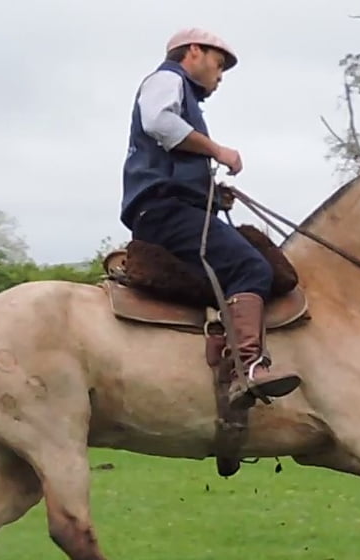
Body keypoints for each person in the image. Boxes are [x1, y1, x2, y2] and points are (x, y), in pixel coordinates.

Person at [120, 27, 301, 409]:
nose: (220, 77)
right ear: (194, 52)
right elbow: (159, 122)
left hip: (170, 208)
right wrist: (217, 150)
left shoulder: (180, 91)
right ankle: (246, 369)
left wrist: (213, 197)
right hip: (167, 210)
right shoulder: (166, 79)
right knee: (251, 267)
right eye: (218, 65)